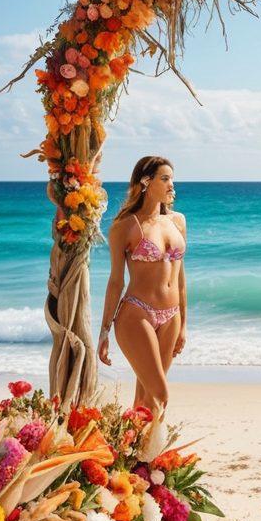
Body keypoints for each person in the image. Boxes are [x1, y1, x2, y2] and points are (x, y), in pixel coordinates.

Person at [98, 156, 187, 415]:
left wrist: (184, 324)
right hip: (137, 314)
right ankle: (144, 452)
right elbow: (116, 281)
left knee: (146, 400)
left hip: (171, 317)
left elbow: (181, 279)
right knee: (161, 395)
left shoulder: (177, 221)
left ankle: (135, 454)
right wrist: (104, 332)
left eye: (172, 178)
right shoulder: (124, 227)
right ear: (146, 182)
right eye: (165, 178)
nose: (171, 184)